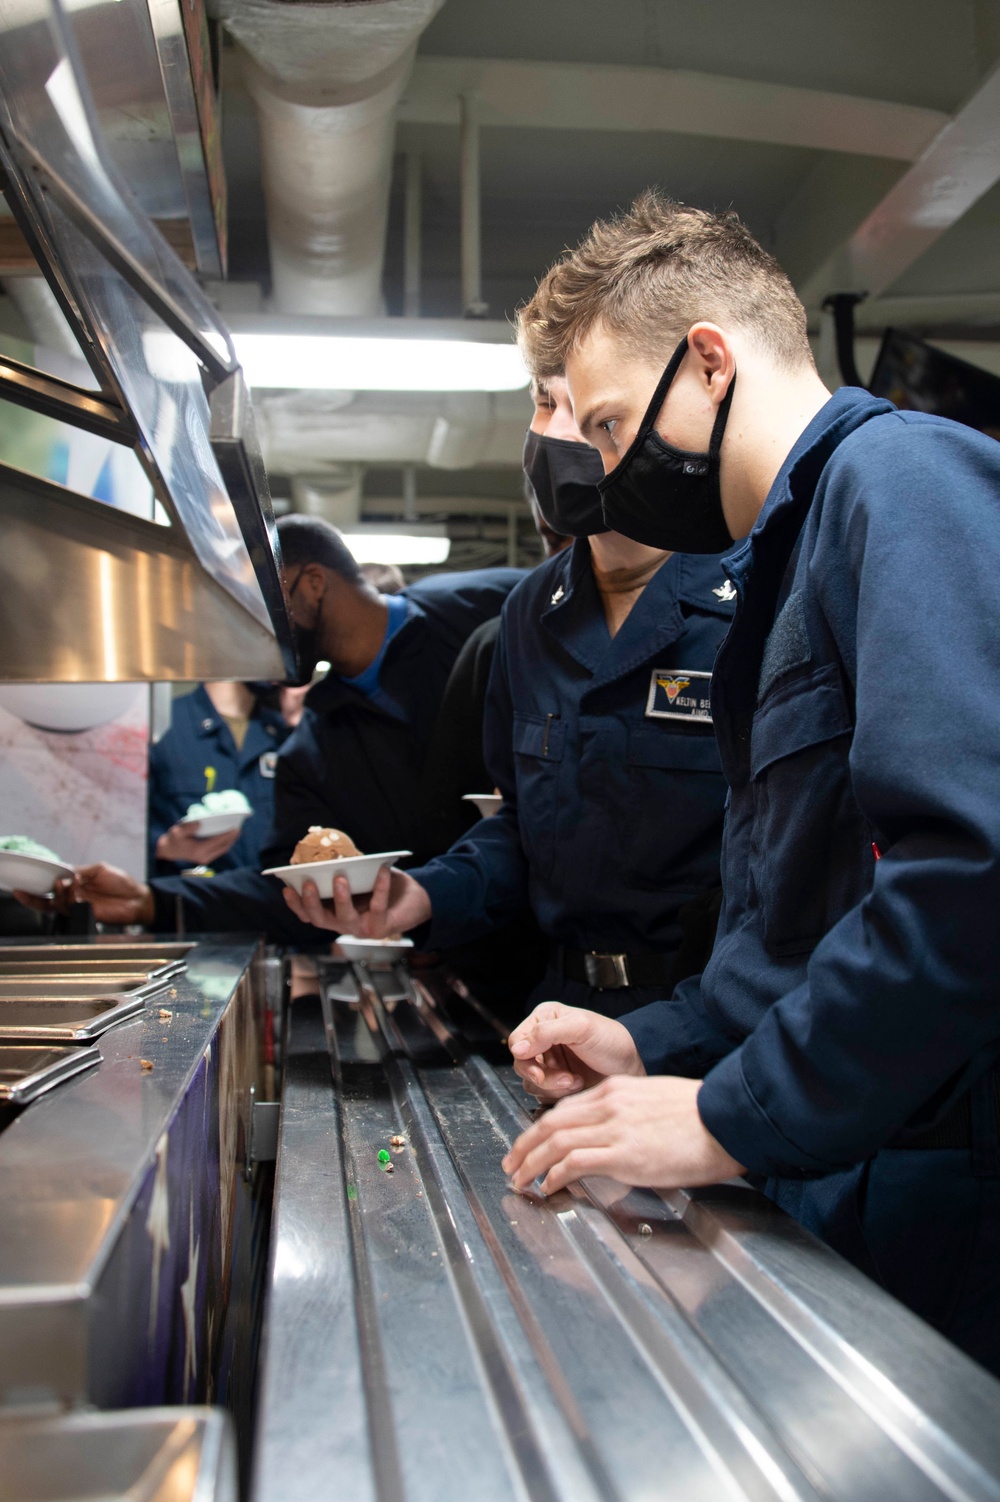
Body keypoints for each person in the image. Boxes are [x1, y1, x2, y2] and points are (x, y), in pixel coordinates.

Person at [495, 191, 1000, 1375]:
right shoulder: (784, 557)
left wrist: (729, 1113)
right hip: (845, 1150)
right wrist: (656, 1044)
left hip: (941, 1178)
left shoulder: (904, 483)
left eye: (613, 427)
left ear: (707, 363)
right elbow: (790, 919)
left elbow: (971, 874)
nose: (610, 481)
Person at [284, 372, 735, 1019]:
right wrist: (422, 895)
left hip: (706, 1019)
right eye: (541, 402)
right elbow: (522, 827)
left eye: (575, 403)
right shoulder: (530, 613)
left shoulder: (748, 594)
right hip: (560, 1011)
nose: (549, 431)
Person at [22, 516, 522, 938]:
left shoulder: (489, 606)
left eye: (256, 609)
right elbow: (285, 889)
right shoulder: (312, 753)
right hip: (474, 972)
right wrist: (151, 900)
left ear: (312, 584)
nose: (245, 638)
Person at [148, 681, 289, 876]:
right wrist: (162, 846)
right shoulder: (161, 725)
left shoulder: (284, 732)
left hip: (268, 898)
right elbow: (114, 829)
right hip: (188, 897)